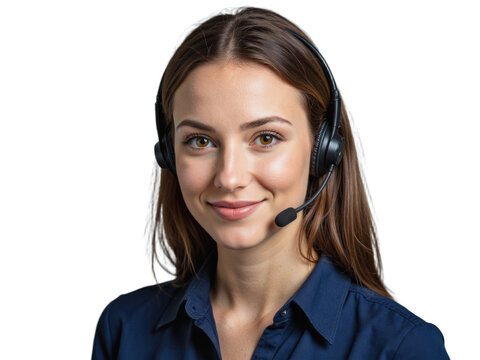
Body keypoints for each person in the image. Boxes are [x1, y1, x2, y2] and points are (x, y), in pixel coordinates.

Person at [92, 6, 449, 359]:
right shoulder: (124, 330)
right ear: (169, 154)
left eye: (265, 138)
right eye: (201, 141)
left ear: (323, 150)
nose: (230, 177)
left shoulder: (402, 347)